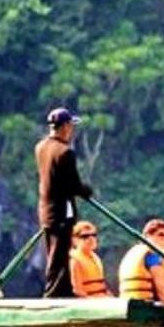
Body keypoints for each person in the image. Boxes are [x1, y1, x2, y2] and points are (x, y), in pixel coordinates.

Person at [35, 107, 94, 297]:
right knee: (59, 255)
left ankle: (65, 289)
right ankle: (53, 293)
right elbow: (73, 185)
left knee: (53, 251)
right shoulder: (65, 152)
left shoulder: (41, 147)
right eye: (71, 126)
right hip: (61, 210)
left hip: (45, 209)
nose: (72, 130)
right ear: (65, 126)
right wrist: (87, 191)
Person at [117, 219, 164, 304]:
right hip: (144, 308)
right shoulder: (152, 255)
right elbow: (160, 288)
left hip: (128, 306)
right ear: (148, 236)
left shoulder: (134, 252)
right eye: (161, 235)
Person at [69, 221, 112, 298]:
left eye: (94, 235)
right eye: (85, 236)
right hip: (89, 304)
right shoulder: (75, 260)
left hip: (102, 300)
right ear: (74, 240)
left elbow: (103, 287)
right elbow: (77, 291)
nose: (91, 239)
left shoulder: (95, 258)